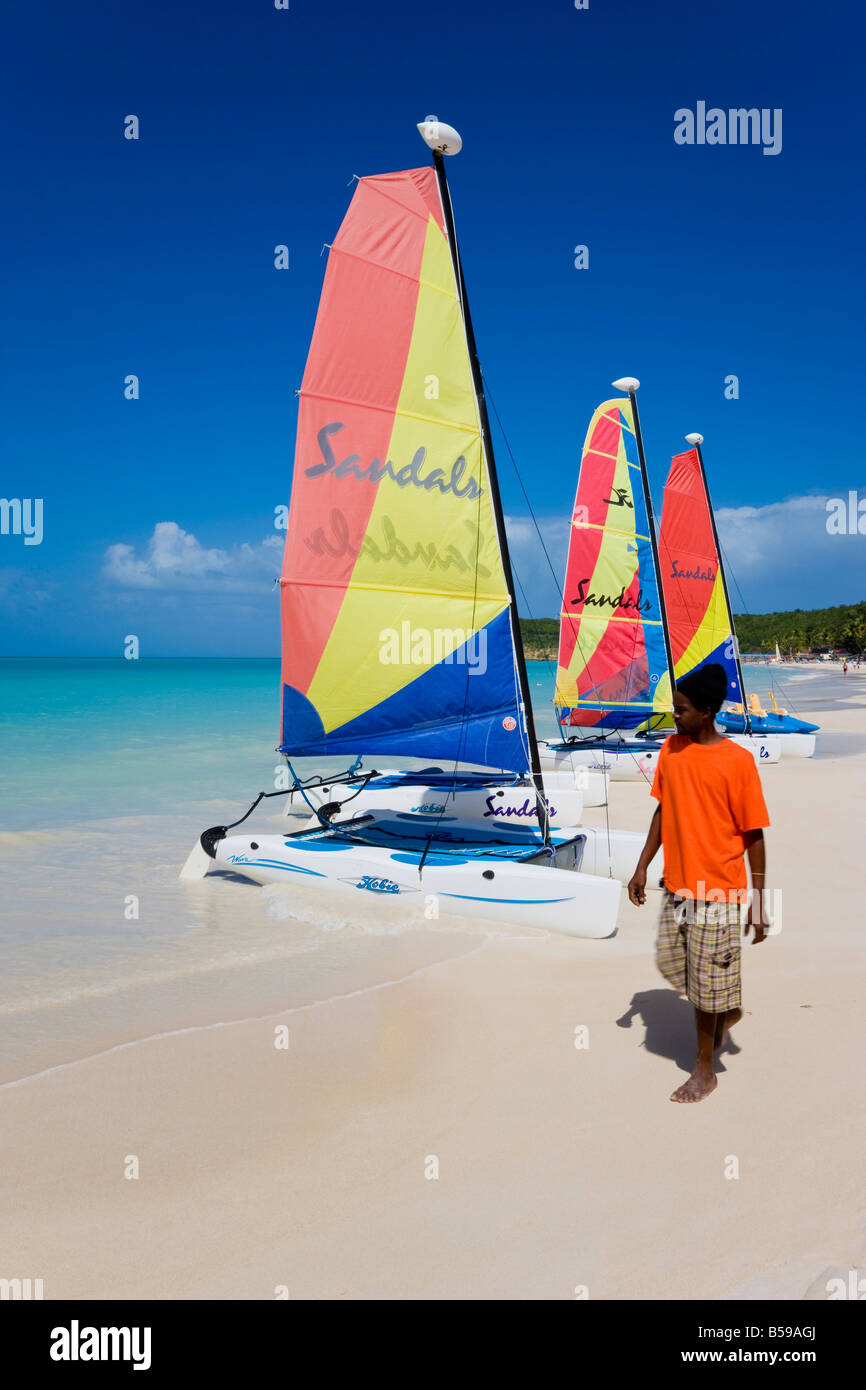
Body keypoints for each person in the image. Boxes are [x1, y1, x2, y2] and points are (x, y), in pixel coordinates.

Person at [628, 664, 770, 1104]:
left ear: (707, 712)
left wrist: (760, 900)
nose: (675, 717)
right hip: (678, 887)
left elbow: (754, 833)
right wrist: (642, 867)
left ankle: (704, 1070)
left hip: (719, 892)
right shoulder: (671, 750)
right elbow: (662, 813)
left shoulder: (737, 762)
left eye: (682, 710)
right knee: (684, 972)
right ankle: (728, 1011)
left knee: (704, 985)